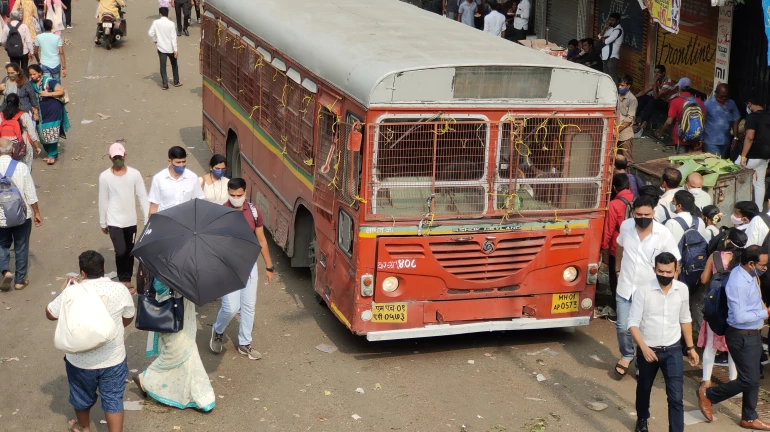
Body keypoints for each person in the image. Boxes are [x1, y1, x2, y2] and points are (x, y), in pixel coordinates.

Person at [45, 250, 135, 432]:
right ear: (103, 268)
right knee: (113, 398)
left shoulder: (72, 291)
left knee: (81, 395)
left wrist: (69, 288)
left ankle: (84, 427)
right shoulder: (119, 289)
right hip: (113, 358)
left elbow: (50, 313)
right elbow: (128, 316)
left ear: (82, 273)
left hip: (80, 360)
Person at [697, 245, 770, 430]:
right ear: (751, 263)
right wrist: (764, 313)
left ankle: (749, 416)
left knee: (753, 377)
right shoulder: (737, 282)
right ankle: (709, 395)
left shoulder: (749, 275)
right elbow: (738, 317)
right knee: (748, 379)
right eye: (763, 265)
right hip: (740, 336)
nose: (765, 269)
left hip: (752, 334)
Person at [611, 193, 681, 380]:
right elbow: (620, 247)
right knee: (622, 327)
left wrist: (669, 288)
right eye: (639, 215)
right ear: (633, 212)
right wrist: (617, 269)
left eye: (647, 215)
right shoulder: (626, 226)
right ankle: (627, 355)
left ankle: (643, 361)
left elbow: (676, 262)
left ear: (653, 213)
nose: (643, 219)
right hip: (626, 286)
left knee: (646, 329)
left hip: (650, 291)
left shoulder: (663, 234)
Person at [628, 252, 698, 432]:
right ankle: (642, 418)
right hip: (648, 349)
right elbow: (633, 323)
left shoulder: (682, 289)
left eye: (669, 272)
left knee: (676, 397)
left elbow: (685, 319)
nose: (665, 275)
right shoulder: (643, 291)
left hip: (673, 350)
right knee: (644, 388)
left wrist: (690, 347)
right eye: (661, 271)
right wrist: (643, 348)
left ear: (676, 270)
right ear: (654, 269)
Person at [211, 178, 275, 360]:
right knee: (231, 307)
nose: (236, 198)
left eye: (239, 195)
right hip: (227, 267)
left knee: (248, 306)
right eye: (232, 195)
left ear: (245, 193)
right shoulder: (221, 212)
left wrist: (269, 266)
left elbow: (262, 240)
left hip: (249, 265)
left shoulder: (254, 212)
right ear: (228, 193)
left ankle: (245, 343)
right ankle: (218, 329)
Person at [134, 278, 216, 412]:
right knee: (176, 353)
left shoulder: (179, 264)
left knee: (188, 352)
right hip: (169, 313)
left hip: (180, 312)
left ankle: (193, 394)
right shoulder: (166, 266)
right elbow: (159, 286)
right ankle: (145, 377)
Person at [698, 227, 745, 389]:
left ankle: (706, 380)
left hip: (717, 307)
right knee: (734, 347)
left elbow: (704, 280)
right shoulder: (745, 260)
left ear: (727, 240)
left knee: (710, 345)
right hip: (736, 309)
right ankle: (733, 381)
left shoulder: (715, 256)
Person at [99, 143, 149, 292]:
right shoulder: (105, 177)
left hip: (130, 221)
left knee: (129, 250)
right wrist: (103, 222)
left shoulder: (134, 174)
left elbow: (142, 197)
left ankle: (126, 278)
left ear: (125, 155)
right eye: (115, 158)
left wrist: (147, 218)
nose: (118, 160)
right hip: (114, 220)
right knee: (120, 251)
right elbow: (103, 200)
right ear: (110, 158)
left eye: (120, 157)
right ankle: (124, 280)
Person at [0, 138, 40, 292]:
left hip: (1, 215)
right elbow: (30, 194)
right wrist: (37, 212)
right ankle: (19, 281)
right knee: (21, 245)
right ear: (12, 150)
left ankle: (6, 271)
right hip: (21, 215)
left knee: (2, 244)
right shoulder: (21, 168)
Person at [601, 173, 634, 309]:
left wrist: (604, 249)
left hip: (617, 248)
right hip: (633, 246)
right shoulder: (635, 199)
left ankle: (618, 307)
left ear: (614, 187)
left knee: (616, 278)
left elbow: (608, 230)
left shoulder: (614, 205)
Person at [27, 64, 68, 165]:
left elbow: (61, 90)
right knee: (41, 133)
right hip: (39, 112)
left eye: (34, 74)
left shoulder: (48, 81)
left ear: (40, 73)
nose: (32, 76)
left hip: (53, 111)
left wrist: (48, 94)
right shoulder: (30, 84)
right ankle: (50, 153)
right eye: (30, 74)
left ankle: (52, 155)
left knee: (51, 132)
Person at [147, 146, 204, 215]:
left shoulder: (192, 177)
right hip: (165, 221)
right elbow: (154, 205)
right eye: (178, 162)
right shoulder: (159, 178)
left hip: (185, 221)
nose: (181, 165)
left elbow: (198, 202)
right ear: (170, 161)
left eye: (183, 162)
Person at [656, 78, 706, 154]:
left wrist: (661, 131)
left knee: (680, 161)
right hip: (696, 136)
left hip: (680, 137)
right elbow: (703, 119)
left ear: (679, 88)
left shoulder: (675, 101)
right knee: (692, 162)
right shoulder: (699, 101)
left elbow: (669, 121)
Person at [738, 95, 770, 210]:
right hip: (765, 155)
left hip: (752, 155)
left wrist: (743, 156)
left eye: (748, 104)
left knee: (737, 176)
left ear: (750, 104)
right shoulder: (768, 116)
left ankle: (740, 208)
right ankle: (759, 209)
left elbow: (749, 137)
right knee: (759, 182)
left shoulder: (753, 117)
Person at [0, 93, 41, 169]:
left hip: (4, 147)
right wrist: (37, 147)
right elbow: (31, 133)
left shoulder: (1, 116)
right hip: (22, 147)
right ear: (18, 103)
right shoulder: (24, 115)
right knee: (25, 168)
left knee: (5, 169)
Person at [635, 65, 678, 132]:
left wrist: (655, 82)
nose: (655, 74)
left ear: (663, 73)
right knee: (644, 98)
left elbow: (656, 97)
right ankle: (635, 117)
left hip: (669, 104)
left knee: (653, 102)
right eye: (655, 72)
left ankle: (644, 122)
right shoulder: (658, 81)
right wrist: (634, 97)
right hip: (661, 100)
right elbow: (645, 91)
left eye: (658, 73)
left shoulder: (667, 83)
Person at [703, 83, 740, 158]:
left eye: (725, 96)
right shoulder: (707, 104)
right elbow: (702, 120)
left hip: (725, 141)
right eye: (721, 96)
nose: (723, 98)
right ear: (716, 93)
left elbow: (736, 118)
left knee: (721, 162)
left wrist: (736, 137)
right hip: (711, 140)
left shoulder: (731, 103)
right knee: (715, 163)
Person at [148, 7, 182, 90]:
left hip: (161, 48)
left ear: (160, 14)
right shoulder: (171, 24)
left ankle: (165, 84)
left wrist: (155, 40)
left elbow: (150, 33)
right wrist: (175, 50)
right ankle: (176, 82)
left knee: (162, 66)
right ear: (167, 13)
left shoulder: (156, 22)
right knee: (174, 65)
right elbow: (173, 37)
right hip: (170, 48)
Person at [616, 75, 638, 163]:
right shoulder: (617, 96)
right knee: (617, 158)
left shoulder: (632, 100)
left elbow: (629, 120)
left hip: (625, 134)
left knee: (627, 160)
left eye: (622, 85)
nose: (620, 87)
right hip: (616, 132)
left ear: (628, 86)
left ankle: (629, 175)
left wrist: (617, 130)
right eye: (619, 85)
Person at [598, 12, 623, 85]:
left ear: (617, 21)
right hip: (605, 57)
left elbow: (606, 41)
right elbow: (599, 36)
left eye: (613, 20)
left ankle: (614, 94)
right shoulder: (611, 29)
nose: (610, 22)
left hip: (612, 58)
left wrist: (603, 37)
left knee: (613, 78)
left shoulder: (618, 30)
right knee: (606, 77)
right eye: (610, 20)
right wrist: (604, 28)